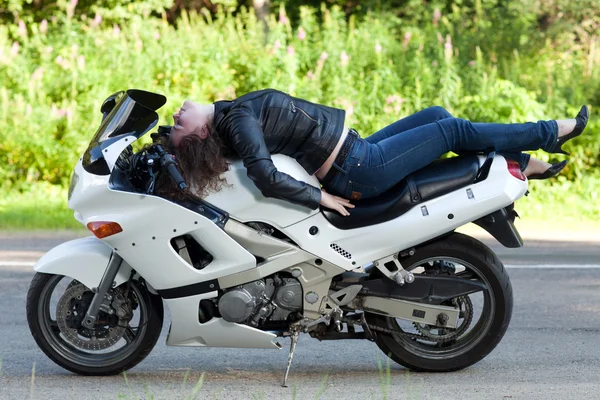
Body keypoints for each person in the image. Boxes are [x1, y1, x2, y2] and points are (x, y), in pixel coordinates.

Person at [167, 88, 589, 216]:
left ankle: (516, 162)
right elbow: (263, 174)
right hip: (358, 170)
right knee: (450, 129)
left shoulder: (228, 114)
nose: (177, 116)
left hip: (357, 149)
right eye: (177, 127)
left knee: (437, 114)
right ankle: (548, 134)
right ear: (201, 134)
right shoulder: (236, 123)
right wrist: (319, 196)